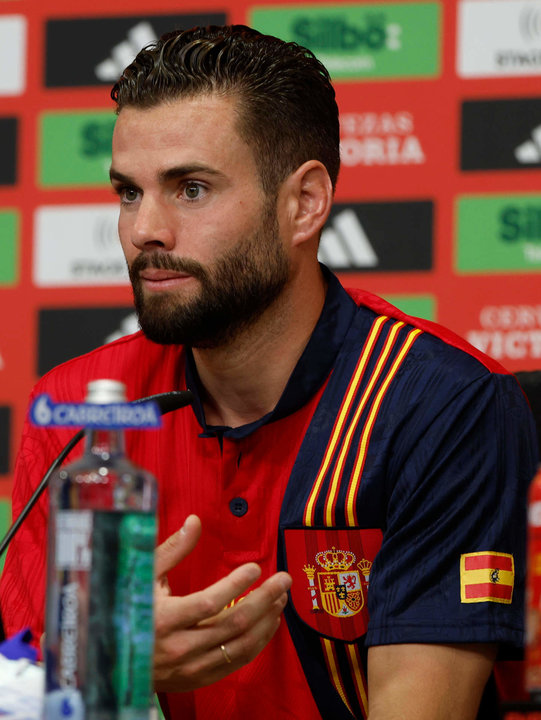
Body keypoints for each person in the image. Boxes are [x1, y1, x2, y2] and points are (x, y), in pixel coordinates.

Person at [0, 24, 538, 720]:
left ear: (304, 203)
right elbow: (22, 685)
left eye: (190, 189)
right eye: (128, 193)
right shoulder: (80, 410)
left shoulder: (441, 404)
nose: (143, 230)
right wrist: (107, 670)